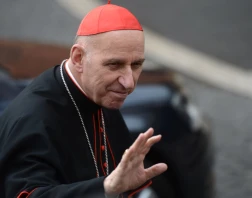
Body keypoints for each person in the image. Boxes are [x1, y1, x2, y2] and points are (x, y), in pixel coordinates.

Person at [0, 2, 168, 198]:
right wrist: (105, 188)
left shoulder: (101, 94)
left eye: (136, 65)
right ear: (79, 58)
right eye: (114, 65)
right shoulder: (33, 117)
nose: (129, 82)